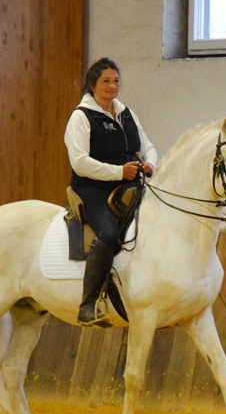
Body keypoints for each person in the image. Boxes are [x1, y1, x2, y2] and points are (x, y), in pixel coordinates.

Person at [64, 57, 158, 325]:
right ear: (92, 85)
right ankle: (88, 304)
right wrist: (119, 172)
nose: (112, 86)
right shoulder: (81, 117)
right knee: (107, 233)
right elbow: (80, 162)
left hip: (129, 184)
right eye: (105, 81)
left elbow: (148, 145)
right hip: (93, 188)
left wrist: (150, 163)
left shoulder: (126, 112)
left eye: (116, 80)